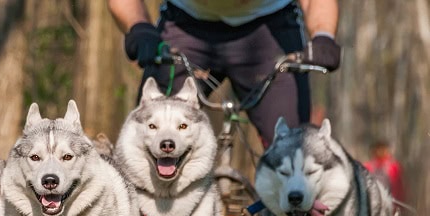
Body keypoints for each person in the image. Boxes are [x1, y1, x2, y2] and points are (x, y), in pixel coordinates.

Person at [107, 0, 341, 147]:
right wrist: (139, 27)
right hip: (186, 23)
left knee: (293, 150)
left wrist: (323, 36)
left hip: (270, 26)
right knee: (147, 137)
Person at [364, 140, 405, 205]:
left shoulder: (394, 167)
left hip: (391, 202)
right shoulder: (367, 167)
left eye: (383, 149)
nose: (381, 152)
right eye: (378, 149)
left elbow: (399, 187)